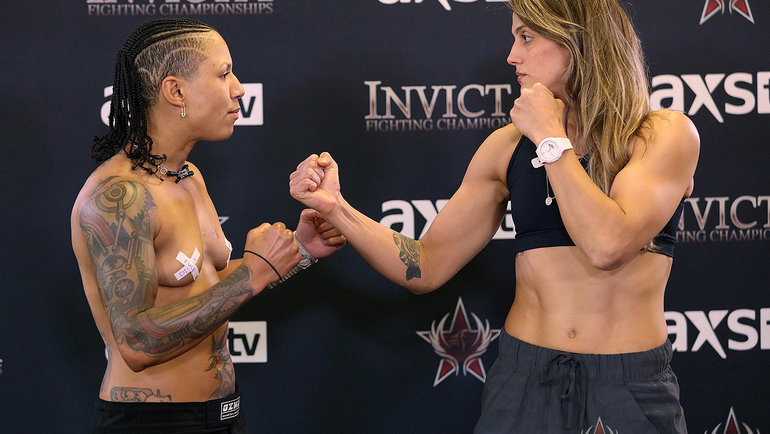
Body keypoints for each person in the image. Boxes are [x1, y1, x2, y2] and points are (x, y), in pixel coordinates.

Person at [289, 0, 699, 432]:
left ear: (579, 41)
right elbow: (426, 265)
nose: (512, 56)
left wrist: (550, 138)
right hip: (526, 380)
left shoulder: (661, 134)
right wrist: (336, 208)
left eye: (527, 37)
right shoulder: (507, 147)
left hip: (628, 382)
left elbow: (607, 246)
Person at [71, 18, 345, 433]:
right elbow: (137, 343)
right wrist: (254, 273)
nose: (239, 89)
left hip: (223, 415)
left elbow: (201, 285)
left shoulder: (188, 176)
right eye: (223, 74)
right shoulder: (121, 197)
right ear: (176, 91)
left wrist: (298, 251)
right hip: (152, 423)